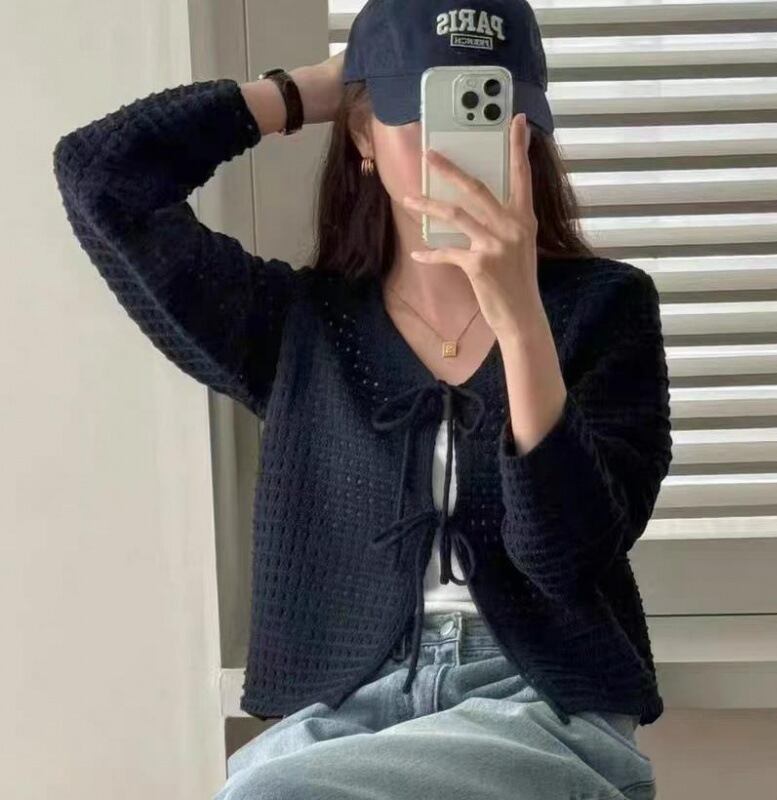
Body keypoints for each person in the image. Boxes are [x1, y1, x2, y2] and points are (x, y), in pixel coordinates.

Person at [52, 1, 671, 797]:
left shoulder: (607, 310)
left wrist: (520, 320)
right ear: (363, 136)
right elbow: (99, 177)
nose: (454, 150)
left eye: (488, 115)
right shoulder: (297, 328)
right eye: (423, 111)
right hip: (343, 714)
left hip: (539, 707)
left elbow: (568, 557)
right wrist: (308, 92)